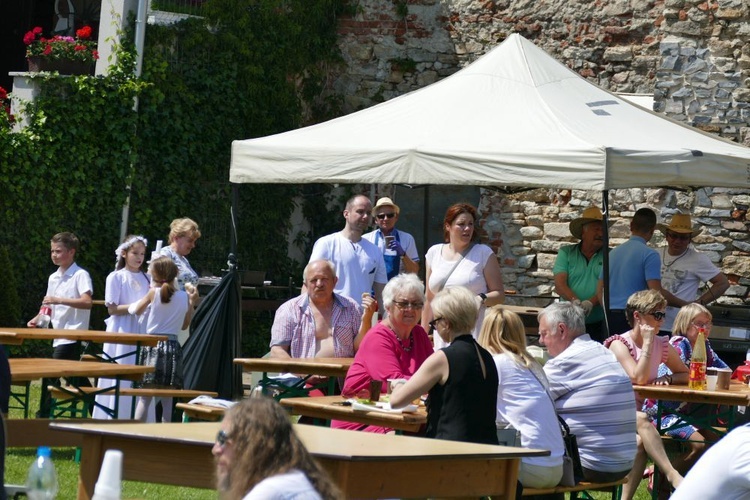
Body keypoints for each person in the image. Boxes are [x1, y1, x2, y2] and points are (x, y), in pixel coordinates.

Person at [539, 302, 637, 484]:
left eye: (544, 334)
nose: (540, 341)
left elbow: (532, 403)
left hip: (591, 464)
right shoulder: (603, 352)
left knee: (523, 463)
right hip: (623, 463)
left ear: (561, 330)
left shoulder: (564, 361)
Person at [604, 289, 688, 499]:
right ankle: (671, 474)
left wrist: (668, 378)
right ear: (637, 316)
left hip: (633, 416)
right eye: (656, 314)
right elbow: (638, 377)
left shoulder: (662, 344)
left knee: (640, 442)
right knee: (642, 419)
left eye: (663, 314)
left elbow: (685, 373)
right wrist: (649, 343)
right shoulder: (618, 343)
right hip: (608, 413)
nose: (662, 320)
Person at [391, 286, 499, 445]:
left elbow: (396, 401)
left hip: (449, 452)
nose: (434, 328)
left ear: (446, 323)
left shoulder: (443, 358)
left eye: (434, 322)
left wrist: (398, 384)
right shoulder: (486, 356)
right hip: (486, 452)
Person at [334, 273, 433, 433]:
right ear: (388, 306)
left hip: (405, 415)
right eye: (403, 303)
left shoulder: (420, 334)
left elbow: (433, 370)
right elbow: (394, 384)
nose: (410, 309)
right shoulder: (377, 337)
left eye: (416, 304)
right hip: (364, 419)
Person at [477, 306, 564, 488]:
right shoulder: (532, 365)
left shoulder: (494, 363)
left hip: (528, 467)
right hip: (557, 466)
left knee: (463, 469)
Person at [644, 303, 728, 473]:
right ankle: (663, 480)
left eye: (708, 324)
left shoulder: (705, 345)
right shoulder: (679, 344)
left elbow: (723, 369)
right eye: (699, 324)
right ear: (685, 324)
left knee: (716, 443)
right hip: (661, 413)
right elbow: (665, 375)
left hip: (682, 413)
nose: (705, 328)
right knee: (700, 446)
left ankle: (664, 476)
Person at [213, 396, 343, 500]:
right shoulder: (296, 480)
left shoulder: (270, 492)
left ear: (253, 444)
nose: (216, 450)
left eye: (222, 438)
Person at [28, 232, 93, 418]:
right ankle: (97, 408)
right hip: (57, 334)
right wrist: (37, 318)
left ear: (71, 252)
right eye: (52, 251)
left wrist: (59, 300)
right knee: (75, 377)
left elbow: (87, 301)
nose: (54, 255)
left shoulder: (80, 275)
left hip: (73, 333)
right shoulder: (53, 277)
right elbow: (48, 305)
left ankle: (43, 414)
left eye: (58, 251)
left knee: (51, 373)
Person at [422, 203, 504, 349]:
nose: (467, 228)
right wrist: (422, 334)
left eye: (470, 224)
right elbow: (429, 299)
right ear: (448, 226)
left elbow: (499, 294)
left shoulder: (483, 253)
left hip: (473, 330)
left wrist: (480, 299)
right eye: (461, 224)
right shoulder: (434, 252)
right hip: (443, 331)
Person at [131, 257, 197, 422]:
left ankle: (134, 434)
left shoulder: (154, 292)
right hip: (172, 347)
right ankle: (165, 436)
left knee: (145, 397)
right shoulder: (183, 296)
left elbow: (136, 310)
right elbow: (184, 326)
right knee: (168, 399)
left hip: (152, 345)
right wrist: (191, 302)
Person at [93, 235, 150, 420]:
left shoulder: (147, 277)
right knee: (120, 369)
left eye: (142, 253)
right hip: (122, 329)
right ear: (124, 253)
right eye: (135, 253)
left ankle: (138, 417)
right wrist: (137, 305)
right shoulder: (116, 277)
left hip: (142, 328)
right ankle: (113, 415)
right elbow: (112, 308)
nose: (139, 257)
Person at [597, 207, 679, 336]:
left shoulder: (612, 253)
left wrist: (607, 310)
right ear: (652, 231)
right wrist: (684, 304)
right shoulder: (649, 254)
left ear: (631, 226)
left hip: (609, 315)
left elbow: (599, 289)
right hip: (632, 317)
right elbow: (656, 292)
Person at [270, 259, 368, 359]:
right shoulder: (288, 310)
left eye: (324, 279)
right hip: (302, 373)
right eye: (313, 280)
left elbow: (362, 348)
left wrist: (367, 319)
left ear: (335, 281)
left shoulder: (351, 307)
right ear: (305, 284)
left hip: (344, 374)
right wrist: (298, 372)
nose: (319, 284)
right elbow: (277, 350)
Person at [656, 213, 729, 333]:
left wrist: (697, 304)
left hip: (679, 325)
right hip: (653, 323)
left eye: (683, 238)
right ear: (667, 236)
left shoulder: (698, 259)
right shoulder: (655, 254)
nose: (677, 241)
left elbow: (722, 283)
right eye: (674, 236)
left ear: (690, 239)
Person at [309, 194, 387, 307]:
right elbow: (309, 284)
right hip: (330, 317)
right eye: (360, 211)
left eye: (368, 213)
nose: (365, 216)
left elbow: (382, 294)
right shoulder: (326, 244)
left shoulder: (375, 251)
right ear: (346, 214)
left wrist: (387, 321)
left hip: (362, 319)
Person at [553, 206, 607, 342]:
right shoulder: (566, 252)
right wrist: (575, 302)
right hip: (568, 320)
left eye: (602, 229)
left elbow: (608, 285)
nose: (601, 233)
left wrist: (590, 302)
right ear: (584, 232)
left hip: (598, 322)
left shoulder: (609, 255)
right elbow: (560, 284)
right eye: (596, 229)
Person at [670, 423, 750, 500]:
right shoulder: (745, 445)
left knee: (712, 440)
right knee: (700, 444)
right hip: (667, 417)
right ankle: (667, 480)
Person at [363, 196, 420, 280]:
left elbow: (414, 271)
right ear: (376, 220)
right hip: (373, 290)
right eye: (381, 216)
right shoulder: (366, 239)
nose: (386, 219)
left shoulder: (407, 239)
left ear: (396, 217)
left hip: (398, 290)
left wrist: (403, 255)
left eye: (390, 215)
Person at [155, 217, 202, 292]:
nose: (193, 245)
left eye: (194, 242)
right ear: (176, 238)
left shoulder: (183, 259)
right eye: (190, 241)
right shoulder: (165, 254)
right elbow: (158, 284)